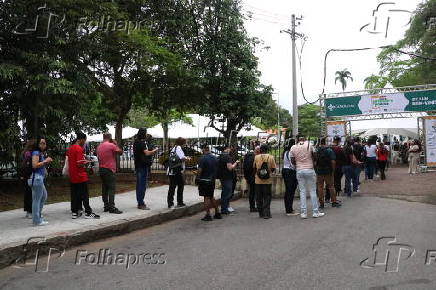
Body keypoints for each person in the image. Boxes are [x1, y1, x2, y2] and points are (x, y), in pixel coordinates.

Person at [67, 132, 100, 219]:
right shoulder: (79, 149)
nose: (85, 142)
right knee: (84, 194)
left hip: (72, 175)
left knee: (75, 194)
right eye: (85, 140)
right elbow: (79, 163)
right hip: (80, 175)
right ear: (81, 139)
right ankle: (88, 212)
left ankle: (75, 212)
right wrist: (86, 162)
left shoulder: (70, 148)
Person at [291, 136, 325, 219]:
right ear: (305, 139)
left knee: (302, 192)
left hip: (299, 170)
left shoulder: (293, 147)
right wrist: (312, 162)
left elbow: (292, 161)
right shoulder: (310, 145)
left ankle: (303, 213)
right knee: (312, 191)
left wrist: (299, 164)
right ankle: (315, 212)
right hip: (309, 169)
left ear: (297, 140)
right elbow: (315, 156)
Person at [96, 133, 123, 214]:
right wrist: (116, 144)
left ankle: (106, 206)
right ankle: (112, 207)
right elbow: (120, 152)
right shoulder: (111, 145)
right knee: (111, 188)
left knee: (104, 188)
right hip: (109, 169)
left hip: (101, 169)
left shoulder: (99, 146)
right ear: (110, 138)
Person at [28, 138, 53, 226]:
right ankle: (36, 220)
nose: (44, 145)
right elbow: (34, 165)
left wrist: (44, 169)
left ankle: (38, 216)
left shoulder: (40, 153)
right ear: (37, 144)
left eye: (45, 143)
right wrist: (46, 161)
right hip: (37, 178)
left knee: (43, 197)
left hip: (39, 178)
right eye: (42, 143)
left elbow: (40, 164)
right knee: (37, 199)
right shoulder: (36, 152)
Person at [133, 128, 158, 210]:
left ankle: (139, 201)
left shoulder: (136, 142)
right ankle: (141, 203)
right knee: (142, 185)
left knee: (139, 185)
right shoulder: (142, 143)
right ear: (143, 134)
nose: (147, 134)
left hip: (138, 165)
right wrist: (155, 150)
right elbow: (147, 153)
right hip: (142, 166)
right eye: (146, 133)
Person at [314, 137, 342, 209]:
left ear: (320, 143)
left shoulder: (317, 150)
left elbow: (314, 161)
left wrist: (316, 170)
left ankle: (321, 203)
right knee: (331, 186)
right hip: (328, 171)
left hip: (319, 171)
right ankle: (334, 202)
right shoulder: (329, 150)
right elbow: (333, 161)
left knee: (320, 187)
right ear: (325, 142)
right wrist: (333, 170)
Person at [196, 144, 222, 221]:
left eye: (202, 149)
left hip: (204, 180)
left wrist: (197, 176)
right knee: (211, 196)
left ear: (204, 149)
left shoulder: (202, 158)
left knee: (206, 197)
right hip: (212, 180)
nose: (201, 151)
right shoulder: (214, 158)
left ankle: (208, 215)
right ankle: (217, 213)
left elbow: (200, 170)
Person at [253, 144, 276, 219]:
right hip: (267, 181)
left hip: (258, 181)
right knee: (267, 197)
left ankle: (261, 213)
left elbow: (254, 168)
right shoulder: (271, 157)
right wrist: (268, 172)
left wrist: (257, 174)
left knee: (258, 197)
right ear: (267, 149)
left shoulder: (256, 157)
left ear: (260, 150)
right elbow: (273, 168)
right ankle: (266, 214)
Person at [167, 137, 190, 208]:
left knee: (174, 186)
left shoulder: (175, 148)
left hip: (172, 170)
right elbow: (182, 158)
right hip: (176, 170)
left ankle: (172, 202)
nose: (185, 144)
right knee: (178, 186)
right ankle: (177, 202)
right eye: (185, 142)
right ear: (182, 143)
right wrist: (187, 158)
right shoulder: (179, 147)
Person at [217, 145, 239, 215]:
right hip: (227, 177)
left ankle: (224, 209)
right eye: (230, 149)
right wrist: (236, 163)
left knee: (224, 193)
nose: (230, 150)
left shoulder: (220, 156)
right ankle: (224, 210)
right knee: (227, 194)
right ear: (227, 149)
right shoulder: (227, 157)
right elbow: (230, 168)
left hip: (222, 177)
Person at [282, 139, 299, 216]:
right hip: (290, 172)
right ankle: (289, 210)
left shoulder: (285, 152)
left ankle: (288, 208)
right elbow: (293, 164)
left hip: (285, 171)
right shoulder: (291, 152)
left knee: (288, 191)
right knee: (291, 191)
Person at [21, 139, 36, 219]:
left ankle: (29, 211)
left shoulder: (26, 153)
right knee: (30, 193)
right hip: (29, 175)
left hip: (27, 175)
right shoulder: (29, 154)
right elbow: (28, 165)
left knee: (28, 193)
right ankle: (29, 211)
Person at [243, 146, 257, 212]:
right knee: (253, 192)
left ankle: (252, 206)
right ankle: (253, 207)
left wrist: (246, 177)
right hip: (253, 176)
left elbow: (244, 167)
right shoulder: (254, 157)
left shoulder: (246, 157)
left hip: (248, 176)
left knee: (251, 192)